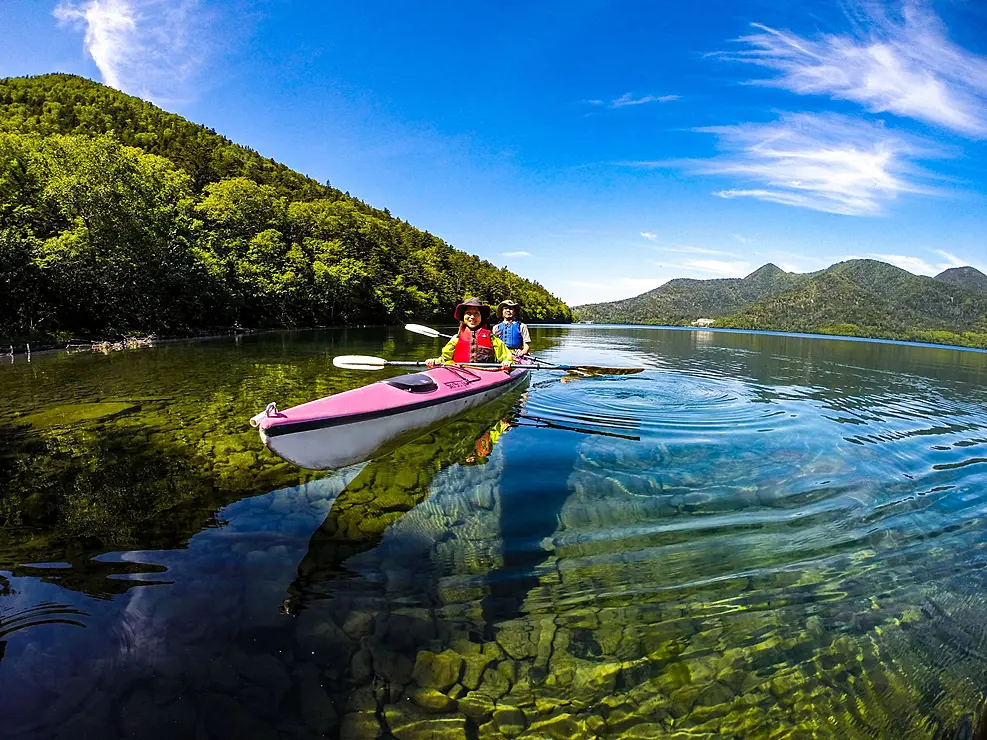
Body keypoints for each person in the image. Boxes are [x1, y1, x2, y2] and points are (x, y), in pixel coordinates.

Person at [426, 298, 513, 369]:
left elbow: (506, 356)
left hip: (485, 373)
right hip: (461, 372)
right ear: (463, 317)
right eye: (468, 313)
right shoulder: (456, 338)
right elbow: (444, 359)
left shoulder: (491, 338)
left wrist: (507, 362)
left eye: (476, 313)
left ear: (481, 317)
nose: (472, 317)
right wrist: (435, 362)